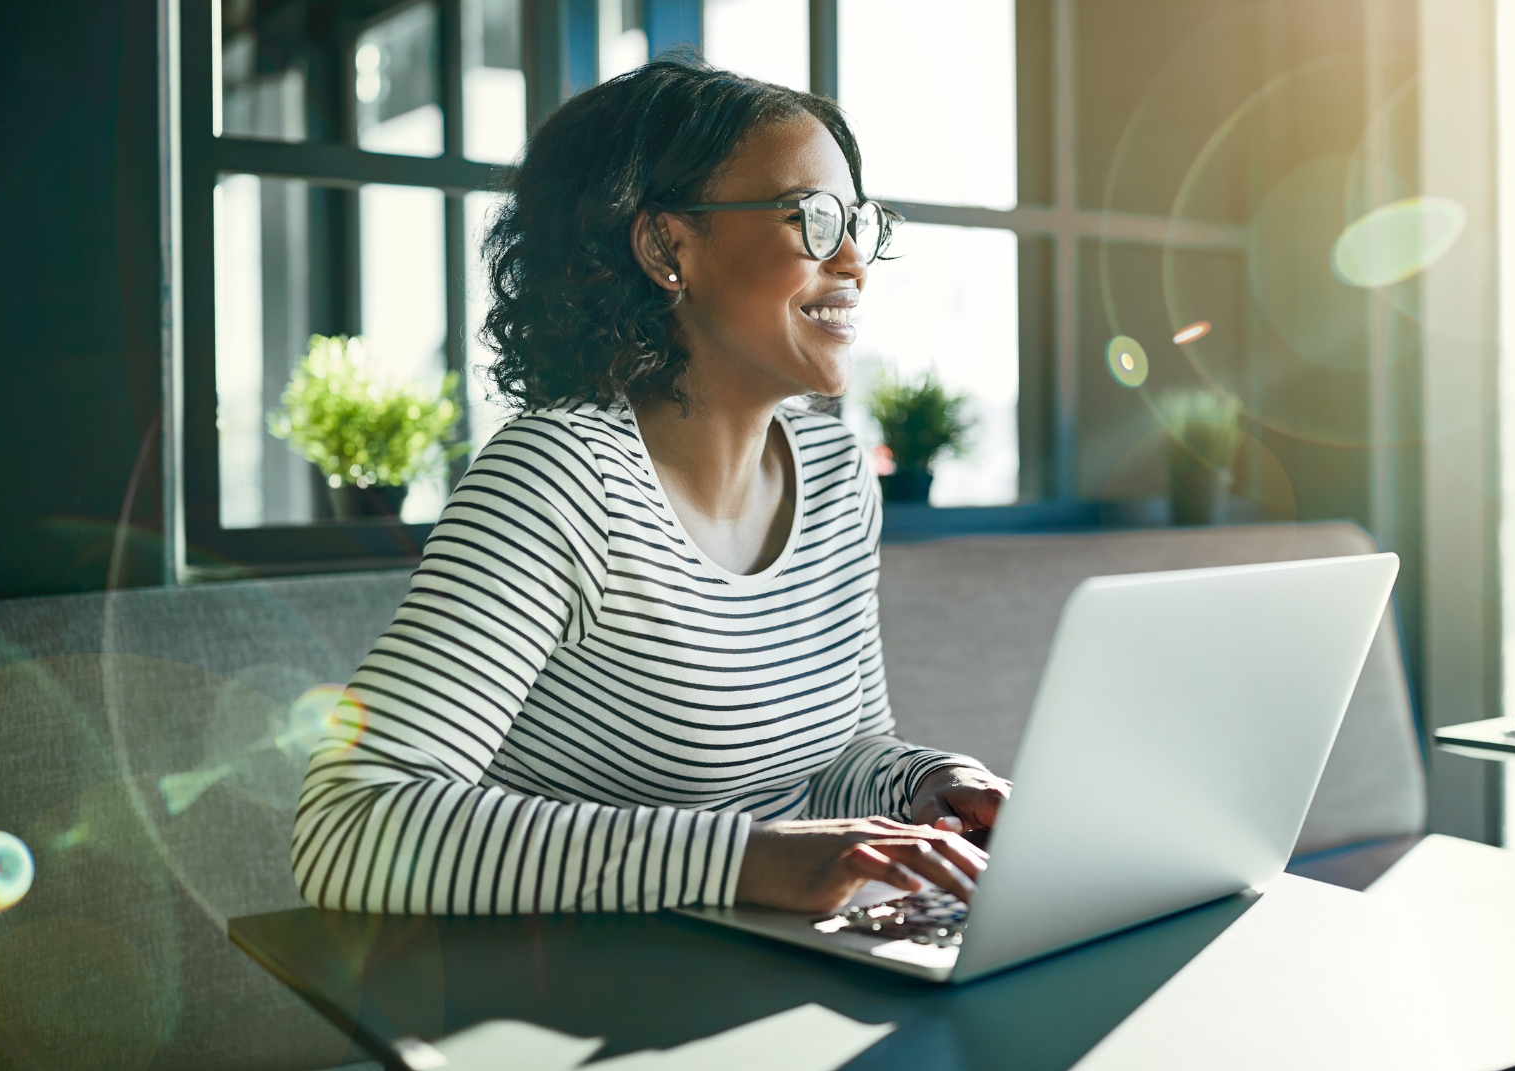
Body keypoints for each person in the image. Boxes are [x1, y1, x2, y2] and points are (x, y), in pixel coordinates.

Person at [291, 60, 1009, 917]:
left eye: (858, 220)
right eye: (813, 220)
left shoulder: (835, 474)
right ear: (667, 248)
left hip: (764, 979)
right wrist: (745, 860)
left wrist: (926, 784)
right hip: (557, 1005)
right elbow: (349, 822)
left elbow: (838, 753)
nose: (853, 259)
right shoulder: (556, 481)